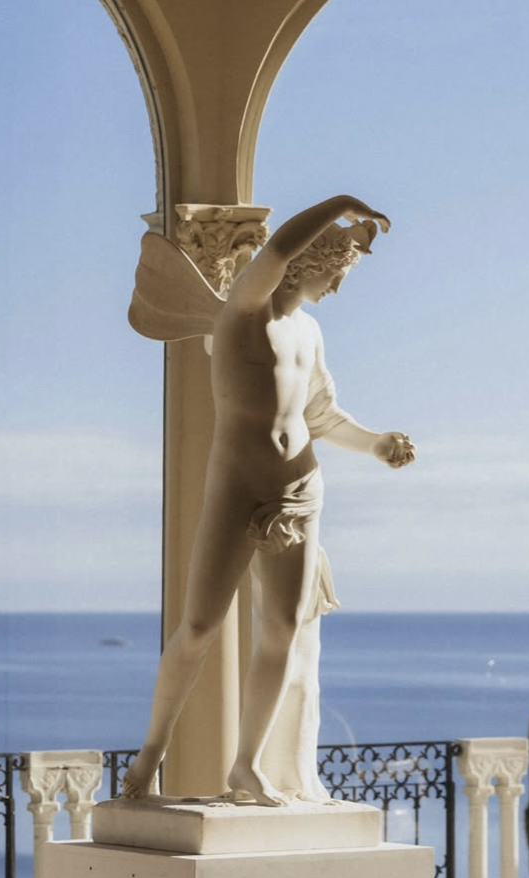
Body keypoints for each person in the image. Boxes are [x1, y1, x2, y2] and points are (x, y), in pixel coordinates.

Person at [122, 195, 415, 806]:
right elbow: (278, 246)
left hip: (300, 491)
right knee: (199, 627)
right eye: (336, 271)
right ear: (310, 263)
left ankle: (247, 766)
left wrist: (376, 442)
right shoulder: (244, 310)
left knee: (281, 630)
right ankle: (148, 758)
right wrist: (341, 204)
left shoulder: (309, 332)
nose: (338, 286)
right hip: (238, 488)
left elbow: (321, 415)